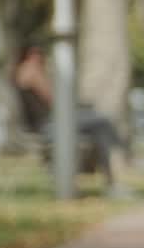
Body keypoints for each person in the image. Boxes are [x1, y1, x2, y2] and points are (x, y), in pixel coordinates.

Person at [13, 46, 131, 197]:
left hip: (52, 123)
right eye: (36, 54)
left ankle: (112, 184)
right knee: (102, 120)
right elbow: (55, 100)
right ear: (28, 56)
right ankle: (124, 154)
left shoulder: (26, 72)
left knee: (99, 129)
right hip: (49, 126)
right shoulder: (30, 72)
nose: (40, 58)